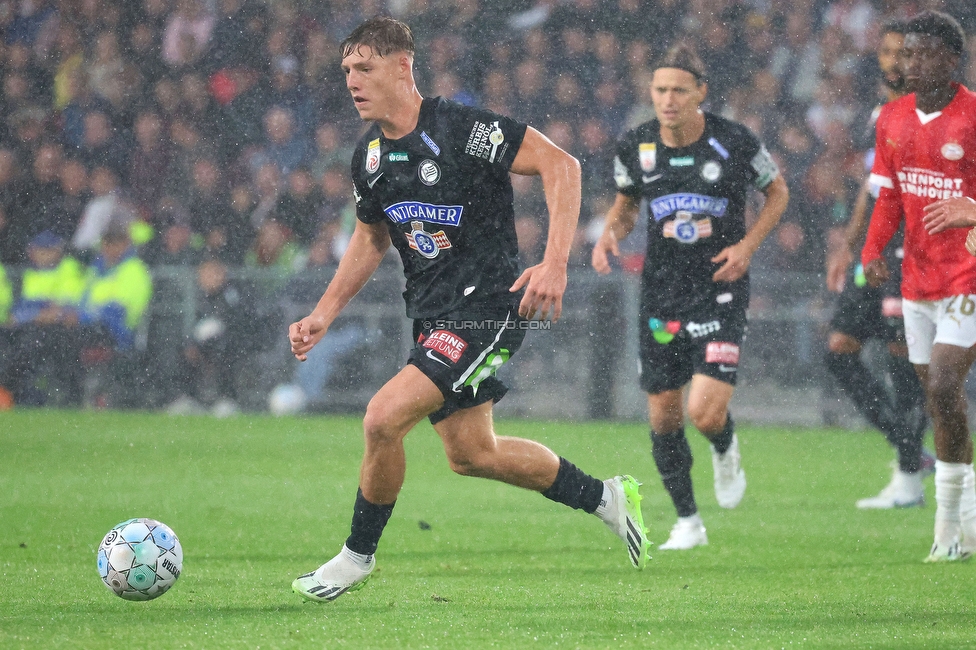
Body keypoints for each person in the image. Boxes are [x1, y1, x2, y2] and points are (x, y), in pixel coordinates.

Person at [288, 17, 649, 603]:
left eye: (365, 67)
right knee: (472, 454)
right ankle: (605, 496)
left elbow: (564, 166)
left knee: (382, 418)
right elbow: (370, 238)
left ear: (402, 66)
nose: (352, 81)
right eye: (347, 70)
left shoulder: (463, 128)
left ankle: (356, 557)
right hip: (432, 315)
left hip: (487, 309)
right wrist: (324, 311)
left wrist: (556, 263)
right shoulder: (370, 157)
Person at [592, 43, 789, 550]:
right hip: (660, 293)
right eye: (660, 89)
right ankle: (688, 522)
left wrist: (747, 245)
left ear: (702, 92)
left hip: (719, 289)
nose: (669, 99)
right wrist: (610, 232)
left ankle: (724, 446)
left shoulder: (735, 141)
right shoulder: (635, 146)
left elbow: (778, 191)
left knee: (704, 411)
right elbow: (627, 205)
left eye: (680, 89)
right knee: (663, 416)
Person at [861, 11, 976, 562]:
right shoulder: (891, 117)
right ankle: (959, 529)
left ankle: (955, 523)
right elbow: (889, 195)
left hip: (967, 274)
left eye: (924, 54)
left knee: (944, 386)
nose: (910, 63)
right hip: (917, 279)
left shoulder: (974, 117)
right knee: (941, 402)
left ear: (952, 61)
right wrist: (871, 248)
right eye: (905, 54)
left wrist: (972, 208)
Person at [823, 19, 933, 509]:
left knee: (904, 361)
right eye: (887, 52)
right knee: (839, 350)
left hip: (920, 247)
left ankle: (909, 476)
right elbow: (876, 186)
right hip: (879, 249)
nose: (893, 61)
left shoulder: (940, 109)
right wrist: (849, 244)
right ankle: (910, 450)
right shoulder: (882, 112)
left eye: (902, 52)